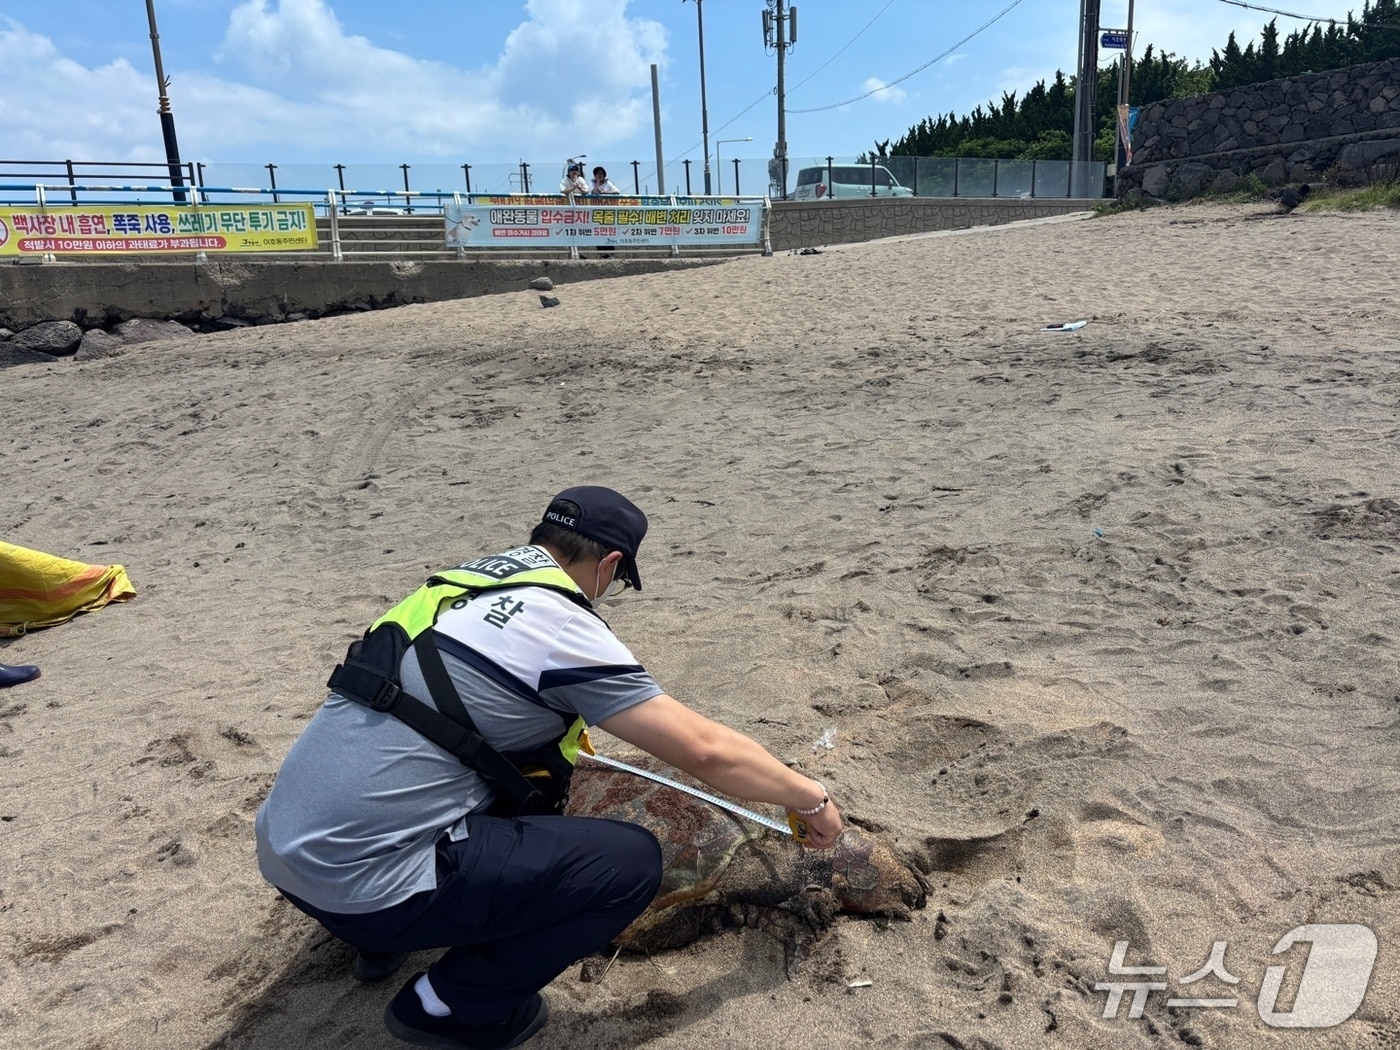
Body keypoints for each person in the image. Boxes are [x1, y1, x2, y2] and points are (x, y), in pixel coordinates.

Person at [255, 486, 842, 1050]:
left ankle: (377, 944)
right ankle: (444, 1005)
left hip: (286, 855)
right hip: (364, 883)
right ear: (609, 563)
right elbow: (703, 749)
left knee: (474, 764)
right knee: (629, 864)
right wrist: (807, 797)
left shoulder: (455, 587)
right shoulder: (558, 623)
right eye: (616, 580)